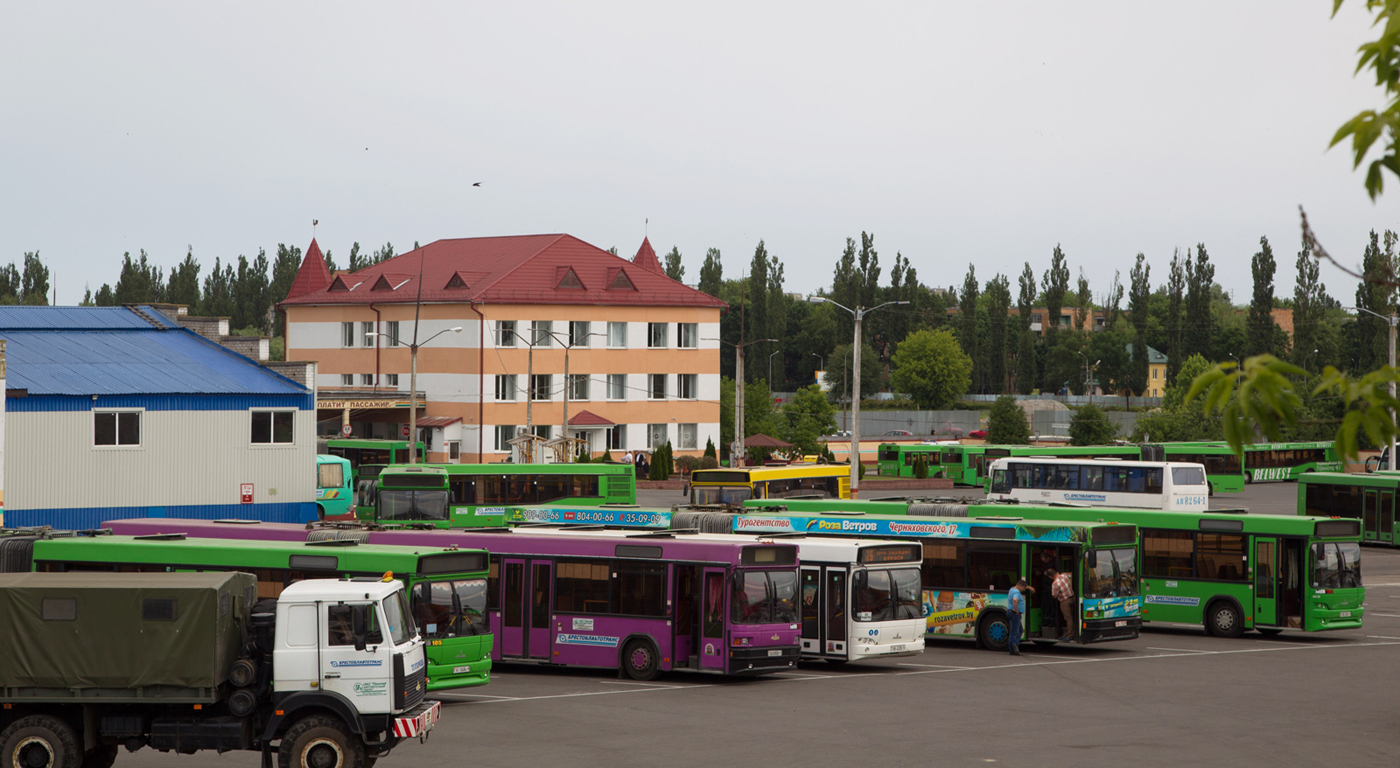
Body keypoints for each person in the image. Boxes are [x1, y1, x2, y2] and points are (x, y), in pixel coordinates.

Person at [1049, 568, 1076, 642]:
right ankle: (1067, 633)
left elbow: (1054, 595)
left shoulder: (1055, 583)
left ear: (1050, 576)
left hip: (1064, 601)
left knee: (1068, 618)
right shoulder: (1064, 575)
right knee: (1071, 616)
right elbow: (1071, 575)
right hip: (1072, 598)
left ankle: (1070, 634)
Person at [1007, 577, 1031, 656]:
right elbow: (1015, 600)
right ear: (1020, 586)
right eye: (1023, 588)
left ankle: (1014, 646)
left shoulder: (1011, 589)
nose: (1023, 590)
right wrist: (1016, 609)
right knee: (1015, 632)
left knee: (1019, 630)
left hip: (1010, 612)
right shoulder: (1016, 592)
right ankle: (1014, 646)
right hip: (1015, 614)